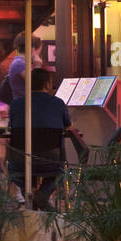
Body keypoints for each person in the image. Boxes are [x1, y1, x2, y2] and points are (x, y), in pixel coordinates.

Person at [7, 67, 73, 210]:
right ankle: (42, 194)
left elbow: (10, 127)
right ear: (48, 84)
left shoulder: (16, 104)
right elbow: (68, 126)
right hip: (50, 161)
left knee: (15, 171)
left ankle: (31, 194)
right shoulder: (58, 103)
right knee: (60, 171)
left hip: (21, 161)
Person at [6, 32, 44, 100]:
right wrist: (38, 66)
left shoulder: (20, 62)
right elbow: (36, 85)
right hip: (23, 105)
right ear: (32, 49)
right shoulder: (20, 64)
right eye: (39, 52)